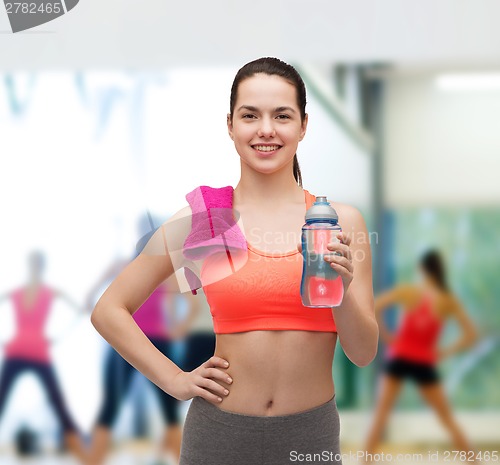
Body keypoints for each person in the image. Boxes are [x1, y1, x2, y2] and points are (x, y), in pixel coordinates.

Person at [91, 57, 378, 465]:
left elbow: (363, 352)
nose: (266, 129)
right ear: (230, 125)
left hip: (309, 437)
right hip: (219, 435)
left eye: (282, 115)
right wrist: (175, 379)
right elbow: (109, 310)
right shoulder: (208, 218)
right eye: (250, 115)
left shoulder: (337, 222)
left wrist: (343, 293)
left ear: (303, 125)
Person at [85, 215, 197, 465]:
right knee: (112, 405)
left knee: (169, 408)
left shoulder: (165, 271)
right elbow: (93, 297)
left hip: (158, 341)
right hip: (128, 342)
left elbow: (190, 301)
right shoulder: (122, 265)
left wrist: (179, 328)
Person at [363, 249, 479, 460]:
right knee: (447, 419)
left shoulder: (410, 292)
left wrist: (388, 336)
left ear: (423, 269)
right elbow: (471, 335)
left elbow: (376, 305)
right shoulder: (448, 300)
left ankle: (365, 461)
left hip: (400, 357)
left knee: (380, 416)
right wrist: (444, 352)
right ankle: (475, 461)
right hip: (424, 362)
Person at [0, 250, 86, 462]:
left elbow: (80, 309)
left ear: (40, 266)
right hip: (18, 351)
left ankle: (82, 453)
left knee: (58, 403)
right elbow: (80, 309)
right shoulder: (17, 292)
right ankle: (82, 450)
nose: (34, 267)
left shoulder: (48, 292)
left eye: (36, 263)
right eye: (33, 263)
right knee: (2, 400)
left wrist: (58, 336)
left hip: (37, 352)